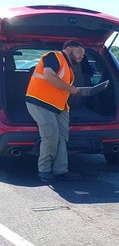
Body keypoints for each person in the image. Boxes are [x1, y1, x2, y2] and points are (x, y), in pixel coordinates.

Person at [25, 40, 85, 182]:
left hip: (59, 106)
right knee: (50, 137)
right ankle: (44, 171)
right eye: (79, 52)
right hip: (40, 102)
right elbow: (49, 75)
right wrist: (71, 89)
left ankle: (60, 170)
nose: (81, 56)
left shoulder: (68, 68)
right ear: (68, 49)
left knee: (62, 138)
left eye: (83, 55)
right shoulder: (53, 56)